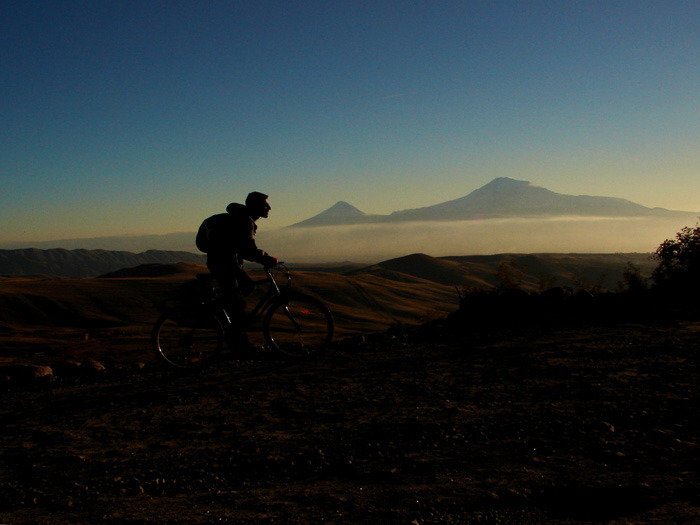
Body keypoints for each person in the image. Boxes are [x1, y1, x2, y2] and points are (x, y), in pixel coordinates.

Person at [198, 191, 278, 346]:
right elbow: (248, 250)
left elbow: (241, 248)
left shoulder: (241, 219)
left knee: (246, 288)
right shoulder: (245, 221)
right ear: (255, 206)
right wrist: (267, 259)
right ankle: (239, 342)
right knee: (237, 302)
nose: (269, 207)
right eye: (265, 204)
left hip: (224, 262)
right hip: (224, 263)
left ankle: (228, 326)